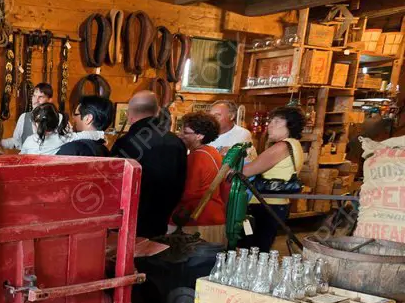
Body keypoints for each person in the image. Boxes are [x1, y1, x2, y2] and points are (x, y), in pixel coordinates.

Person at [111, 91, 188, 238]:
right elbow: (181, 181)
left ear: (129, 114)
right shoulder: (176, 142)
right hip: (161, 221)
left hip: (129, 225)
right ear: (157, 112)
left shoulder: (127, 143)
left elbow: (115, 185)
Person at [239, 106, 305, 251]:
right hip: (275, 205)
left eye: (276, 122)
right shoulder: (294, 145)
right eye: (271, 121)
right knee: (259, 247)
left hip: (266, 205)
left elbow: (247, 171)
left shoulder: (282, 147)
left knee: (254, 249)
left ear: (289, 125)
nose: (270, 125)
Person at [172, 113, 228, 245]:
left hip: (198, 220)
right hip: (215, 216)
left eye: (185, 132)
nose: (180, 134)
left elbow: (188, 192)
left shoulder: (197, 157)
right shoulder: (212, 151)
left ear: (200, 135)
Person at [2, 83, 53, 150]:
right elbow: (16, 142)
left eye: (41, 97)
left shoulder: (59, 119)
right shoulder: (24, 117)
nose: (35, 101)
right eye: (34, 96)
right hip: (27, 159)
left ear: (50, 100)